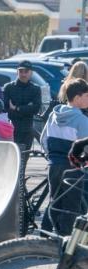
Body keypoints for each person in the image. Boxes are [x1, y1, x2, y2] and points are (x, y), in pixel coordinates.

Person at [40, 78, 88, 234]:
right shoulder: (82, 120)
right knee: (71, 208)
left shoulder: (54, 115)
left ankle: (44, 236)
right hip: (73, 168)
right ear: (78, 97)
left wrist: (51, 157)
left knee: (55, 202)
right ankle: (65, 241)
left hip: (54, 165)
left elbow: (43, 139)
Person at [3, 60, 41, 151]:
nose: (23, 74)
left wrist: (17, 108)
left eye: (26, 71)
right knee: (12, 157)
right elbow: (6, 108)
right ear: (17, 72)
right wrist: (27, 108)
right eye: (21, 71)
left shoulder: (35, 89)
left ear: (31, 73)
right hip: (11, 128)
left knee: (24, 159)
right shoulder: (9, 87)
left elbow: (35, 109)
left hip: (27, 128)